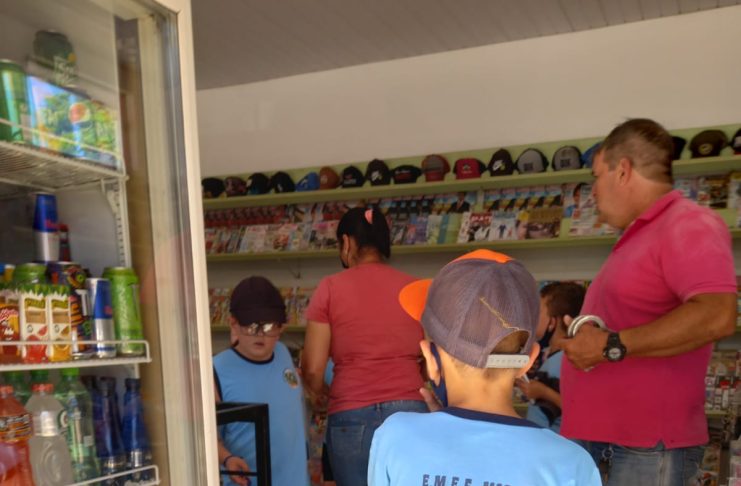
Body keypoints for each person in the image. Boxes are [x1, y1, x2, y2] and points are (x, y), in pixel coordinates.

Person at [560, 118, 738, 485]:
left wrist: (609, 345)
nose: (593, 192)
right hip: (610, 440)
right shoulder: (640, 236)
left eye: (596, 177)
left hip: (645, 447)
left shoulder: (687, 223)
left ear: (623, 171)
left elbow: (717, 315)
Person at [368, 249, 601, 485]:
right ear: (528, 361)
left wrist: (445, 426)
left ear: (431, 360)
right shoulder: (572, 463)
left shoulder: (395, 436)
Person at [302, 207, 427, 486]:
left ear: (347, 242)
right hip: (410, 412)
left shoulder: (330, 288)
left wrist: (323, 393)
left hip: (351, 413)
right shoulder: (414, 289)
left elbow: (312, 369)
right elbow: (430, 363)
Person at [213, 276, 309, 486]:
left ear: (281, 328)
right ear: (234, 324)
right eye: (251, 326)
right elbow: (205, 434)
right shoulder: (216, 370)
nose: (260, 335)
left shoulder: (283, 354)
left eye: (269, 327)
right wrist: (226, 458)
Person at [516, 281, 585, 433]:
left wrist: (543, 392)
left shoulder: (568, 361)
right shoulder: (549, 356)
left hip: (561, 442)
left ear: (553, 321)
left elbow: (582, 411)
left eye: (538, 311)